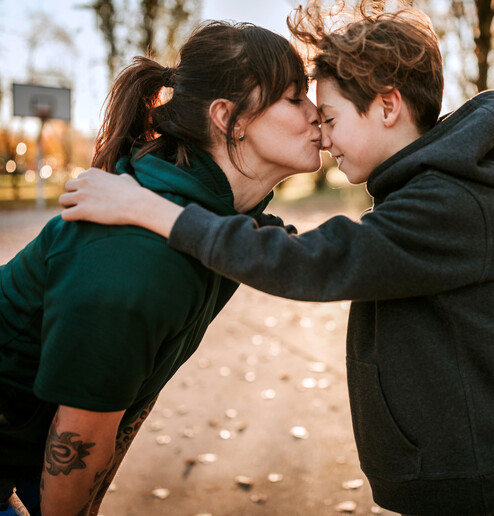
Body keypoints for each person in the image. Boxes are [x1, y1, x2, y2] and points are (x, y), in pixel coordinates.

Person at [59, 2, 494, 515]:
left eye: (330, 117)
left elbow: (312, 262)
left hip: (484, 491)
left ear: (387, 108)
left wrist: (158, 212)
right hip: (463, 482)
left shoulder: (446, 204)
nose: (323, 135)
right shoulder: (429, 193)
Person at [0, 20, 322, 516]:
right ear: (230, 119)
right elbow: (81, 437)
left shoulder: (220, 224)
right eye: (295, 97)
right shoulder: (139, 257)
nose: (317, 113)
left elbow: (126, 396)